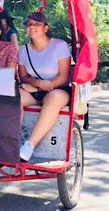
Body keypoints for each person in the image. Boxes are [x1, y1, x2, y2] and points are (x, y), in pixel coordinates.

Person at [18, 12, 72, 161]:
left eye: (36, 24)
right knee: (15, 96)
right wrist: (37, 85)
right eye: (29, 25)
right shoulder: (23, 50)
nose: (32, 27)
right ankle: (12, 139)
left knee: (53, 99)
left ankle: (29, 145)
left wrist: (41, 87)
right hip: (33, 89)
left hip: (57, 89)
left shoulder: (59, 45)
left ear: (46, 28)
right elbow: (23, 76)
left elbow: (63, 76)